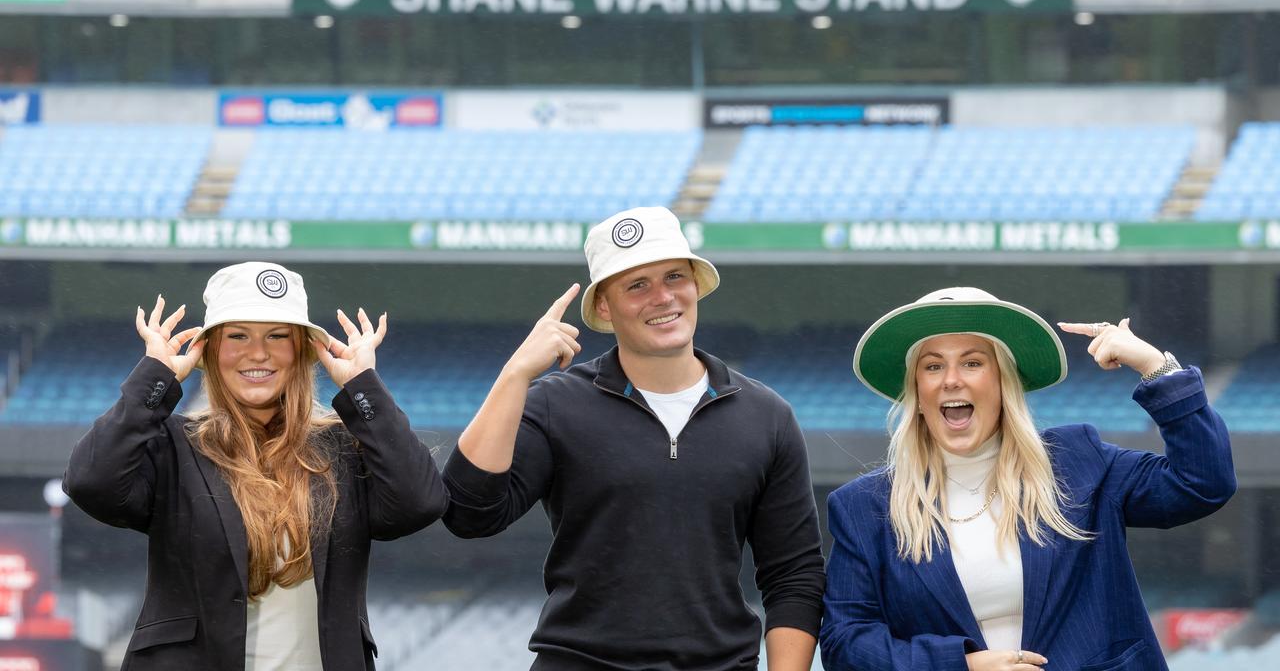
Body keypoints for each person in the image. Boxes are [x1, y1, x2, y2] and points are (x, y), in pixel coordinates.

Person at [442, 207, 826, 670]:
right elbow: (470, 514)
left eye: (674, 277)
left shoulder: (767, 416)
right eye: (637, 285)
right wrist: (515, 374)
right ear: (604, 306)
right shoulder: (554, 403)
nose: (662, 298)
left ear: (695, 286)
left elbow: (793, 577)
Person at [819, 287, 1236, 671]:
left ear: (1003, 382)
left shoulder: (1077, 462)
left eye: (972, 362)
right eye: (933, 366)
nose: (951, 379)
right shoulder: (865, 506)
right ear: (917, 391)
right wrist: (961, 665)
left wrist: (1155, 366)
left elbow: (1202, 483)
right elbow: (846, 641)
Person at [63, 261, 447, 670]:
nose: (258, 353)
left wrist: (362, 386)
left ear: (301, 349)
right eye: (238, 336)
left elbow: (420, 502)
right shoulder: (171, 445)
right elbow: (91, 482)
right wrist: (155, 377)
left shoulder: (343, 449)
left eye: (278, 336)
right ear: (209, 350)